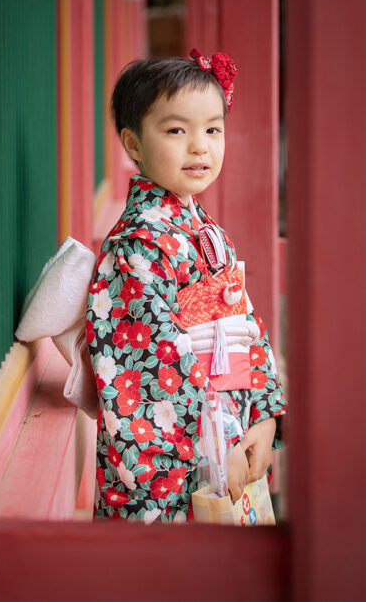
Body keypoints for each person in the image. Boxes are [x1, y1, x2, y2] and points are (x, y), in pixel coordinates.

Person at [86, 49, 287, 523]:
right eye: (177, 130)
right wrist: (219, 449)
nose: (200, 146)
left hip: (230, 434)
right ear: (133, 143)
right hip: (179, 463)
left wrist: (263, 415)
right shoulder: (137, 245)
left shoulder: (199, 225)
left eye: (212, 129)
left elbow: (243, 324)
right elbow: (149, 372)